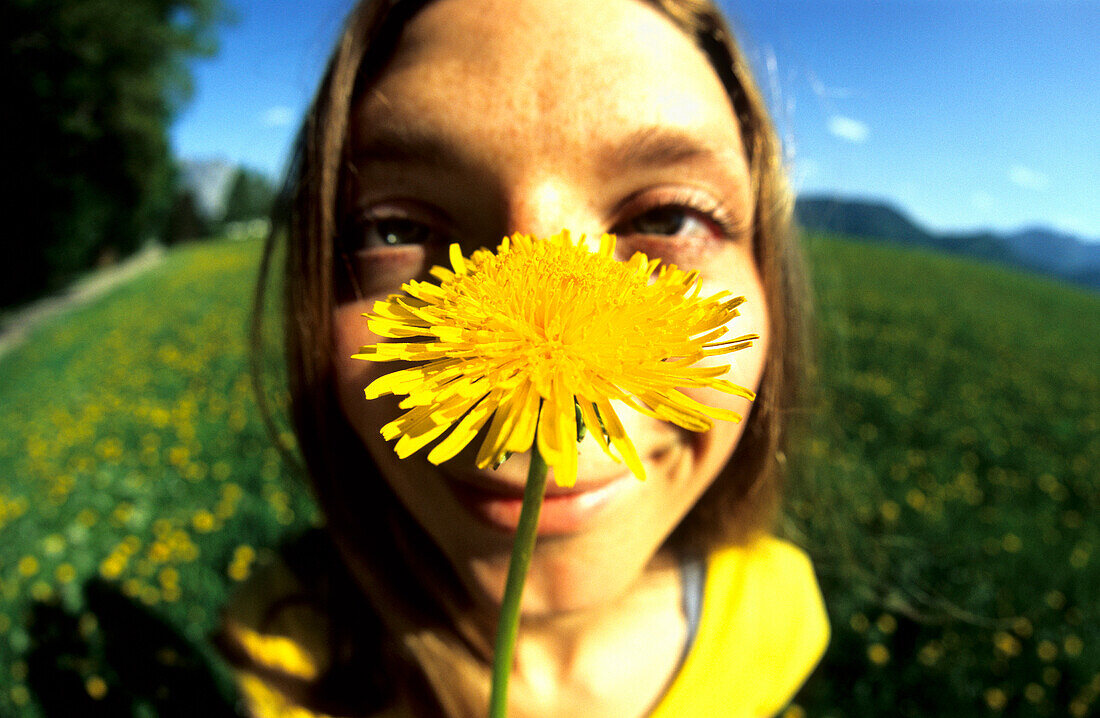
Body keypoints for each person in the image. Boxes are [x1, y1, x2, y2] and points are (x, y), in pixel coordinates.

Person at [216, 0, 828, 716]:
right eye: (395, 229)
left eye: (667, 219)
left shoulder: (781, 621)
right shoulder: (282, 651)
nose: (546, 427)